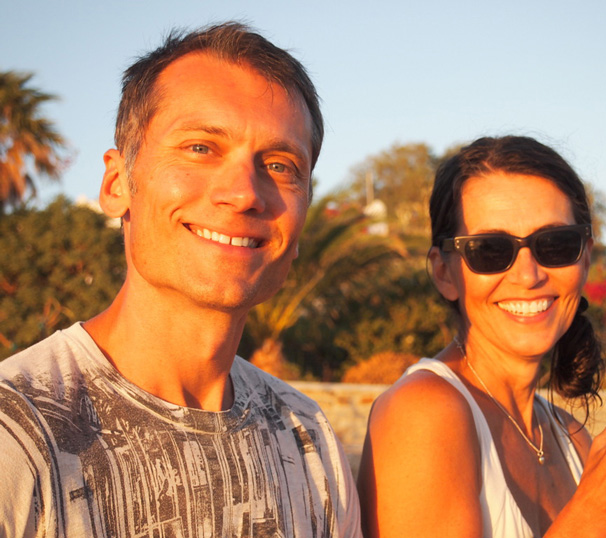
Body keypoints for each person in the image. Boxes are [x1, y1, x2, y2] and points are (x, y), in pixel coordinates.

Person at [0, 22, 361, 537]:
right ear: (116, 183)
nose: (243, 193)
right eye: (200, 148)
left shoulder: (307, 439)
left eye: (280, 165)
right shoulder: (17, 436)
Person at [357, 135, 606, 538]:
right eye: (490, 249)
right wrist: (598, 512)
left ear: (585, 259)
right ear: (444, 272)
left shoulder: (573, 439)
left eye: (554, 245)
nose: (528, 275)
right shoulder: (423, 413)